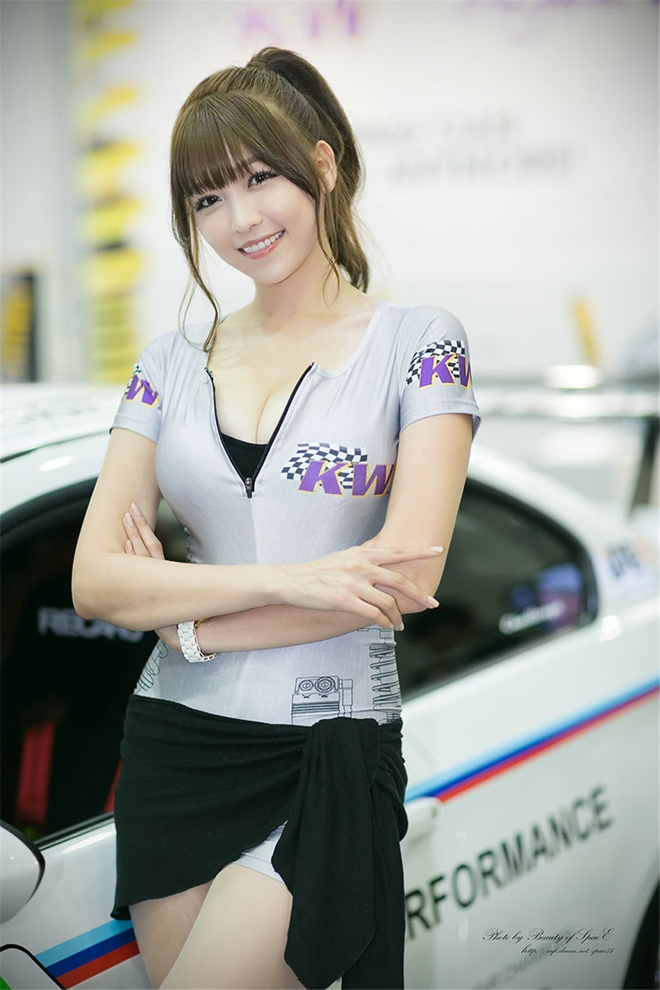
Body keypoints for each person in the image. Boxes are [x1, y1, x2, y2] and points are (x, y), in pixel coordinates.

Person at [72, 46, 481, 990]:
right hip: (176, 744)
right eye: (208, 198)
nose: (240, 219)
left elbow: (402, 578)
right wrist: (294, 581)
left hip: (327, 748)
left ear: (323, 166)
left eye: (261, 178)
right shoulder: (167, 364)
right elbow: (94, 579)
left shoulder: (419, 344)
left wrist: (183, 618)